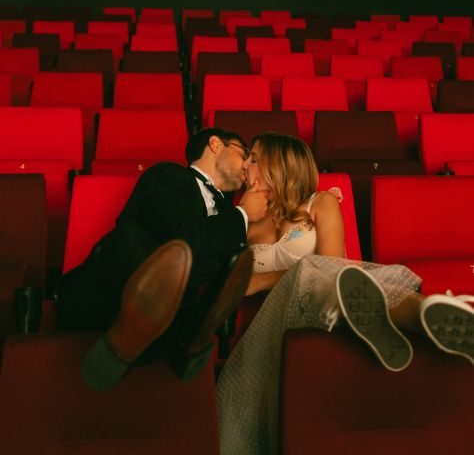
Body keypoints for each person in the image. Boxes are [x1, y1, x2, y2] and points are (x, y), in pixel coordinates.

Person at [217, 132, 474, 455]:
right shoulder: (244, 219)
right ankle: (418, 313)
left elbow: (331, 263)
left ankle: (428, 315)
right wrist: (241, 216)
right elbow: (228, 281)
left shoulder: (320, 202)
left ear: (278, 165)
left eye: (254, 158)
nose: (245, 166)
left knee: (315, 270)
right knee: (311, 270)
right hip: (276, 321)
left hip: (326, 302)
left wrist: (264, 279)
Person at [53, 127, 269, 390]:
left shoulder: (227, 214)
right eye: (244, 152)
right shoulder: (167, 175)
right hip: (111, 287)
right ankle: (162, 332)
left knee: (229, 264)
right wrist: (243, 214)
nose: (247, 163)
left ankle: (187, 335)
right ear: (215, 144)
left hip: (176, 304)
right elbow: (184, 238)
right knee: (137, 243)